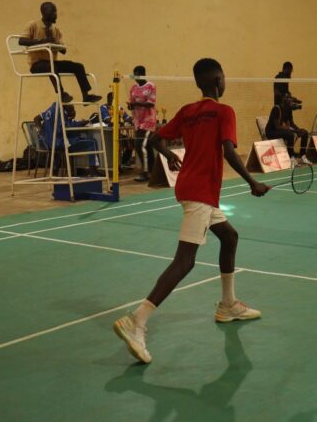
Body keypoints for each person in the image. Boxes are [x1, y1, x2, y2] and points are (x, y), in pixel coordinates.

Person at [113, 58, 270, 364]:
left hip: (190, 189)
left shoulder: (187, 111)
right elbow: (228, 150)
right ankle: (137, 320)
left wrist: (169, 154)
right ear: (219, 81)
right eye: (224, 78)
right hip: (200, 194)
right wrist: (253, 182)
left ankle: (227, 305)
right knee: (185, 261)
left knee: (229, 237)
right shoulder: (224, 111)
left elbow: (155, 138)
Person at [18, 2, 102, 104]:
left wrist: (56, 43)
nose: (56, 14)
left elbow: (63, 50)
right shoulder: (33, 25)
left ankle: (86, 95)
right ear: (44, 12)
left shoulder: (55, 30)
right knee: (51, 66)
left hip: (52, 62)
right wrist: (41, 41)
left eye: (56, 12)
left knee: (78, 66)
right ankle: (62, 94)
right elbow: (21, 41)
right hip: (37, 64)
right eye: (53, 11)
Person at [35, 102, 101, 177]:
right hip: (58, 143)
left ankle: (56, 171)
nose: (74, 112)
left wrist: (40, 132)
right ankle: (93, 171)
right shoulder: (60, 112)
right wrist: (80, 123)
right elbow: (65, 128)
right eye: (72, 110)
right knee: (91, 142)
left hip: (48, 142)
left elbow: (36, 118)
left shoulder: (51, 110)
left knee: (63, 144)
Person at [128, 65, 157, 182]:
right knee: (147, 146)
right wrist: (130, 106)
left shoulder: (151, 86)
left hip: (148, 121)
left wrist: (136, 104)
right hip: (137, 121)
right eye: (134, 74)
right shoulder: (133, 88)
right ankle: (153, 171)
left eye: (137, 74)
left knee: (139, 145)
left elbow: (151, 103)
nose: (135, 77)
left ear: (143, 74)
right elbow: (131, 103)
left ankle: (145, 172)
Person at [266, 92, 311, 165]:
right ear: (282, 99)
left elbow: (292, 124)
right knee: (290, 135)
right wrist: (291, 130)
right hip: (271, 132)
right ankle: (291, 157)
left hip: (281, 130)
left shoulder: (289, 110)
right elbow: (277, 126)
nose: (289, 100)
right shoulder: (276, 109)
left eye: (290, 98)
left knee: (304, 133)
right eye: (287, 98)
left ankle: (302, 156)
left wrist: (298, 130)